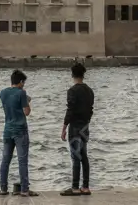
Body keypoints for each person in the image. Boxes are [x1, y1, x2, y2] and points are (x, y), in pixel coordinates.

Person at [0, 69, 37, 197]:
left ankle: (3, 188)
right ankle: (24, 189)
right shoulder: (21, 93)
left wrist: (23, 98)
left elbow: (11, 103)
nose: (24, 85)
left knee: (5, 160)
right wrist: (26, 100)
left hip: (7, 129)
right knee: (22, 161)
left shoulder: (3, 93)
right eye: (23, 83)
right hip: (20, 130)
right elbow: (26, 112)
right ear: (21, 82)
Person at [60, 62, 95, 196]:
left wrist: (64, 127)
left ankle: (75, 187)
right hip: (85, 126)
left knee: (75, 157)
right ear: (83, 75)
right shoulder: (90, 91)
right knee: (84, 156)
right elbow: (91, 110)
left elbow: (70, 111)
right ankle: (85, 187)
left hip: (75, 127)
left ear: (72, 75)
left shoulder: (72, 91)